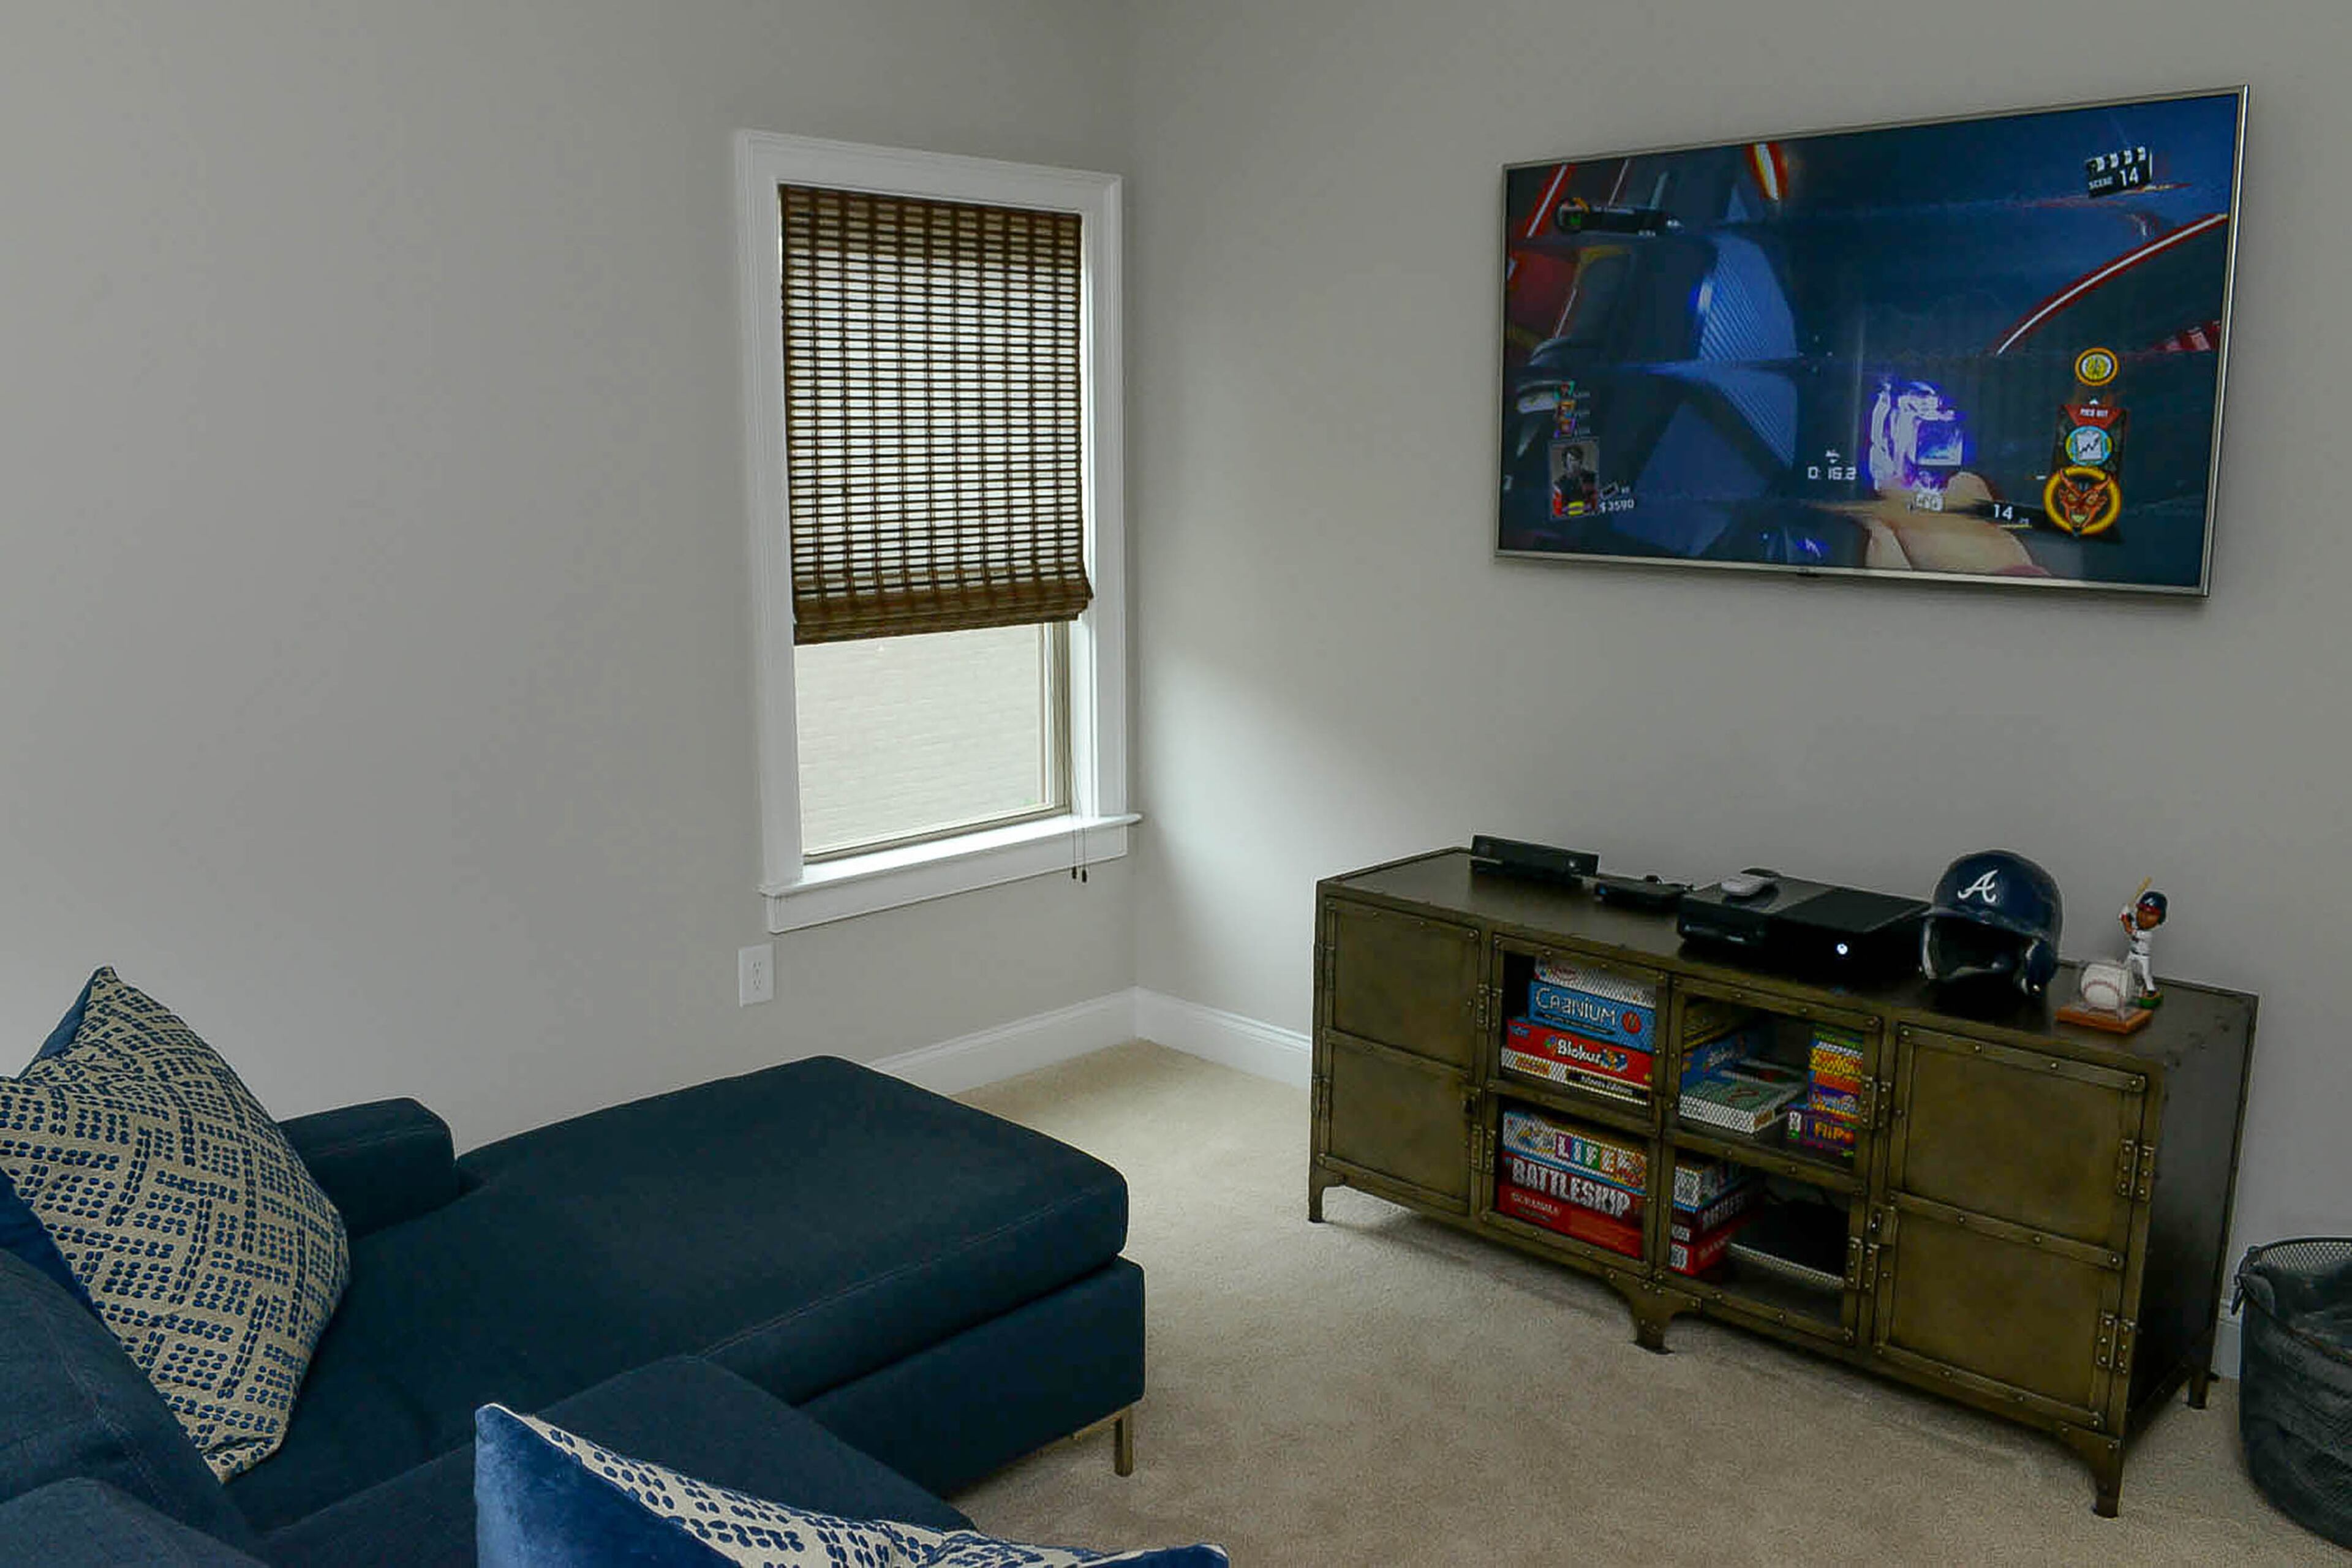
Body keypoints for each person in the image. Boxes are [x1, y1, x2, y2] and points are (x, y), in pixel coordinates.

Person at [2120, 889, 2168, 1001]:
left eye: (2150, 914)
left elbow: (2129, 929)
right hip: (2132, 953)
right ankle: (2122, 987)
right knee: (2124, 969)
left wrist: (2124, 920)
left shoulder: (2147, 934)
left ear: (2160, 919)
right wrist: (2124, 913)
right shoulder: (2136, 924)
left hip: (2143, 956)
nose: (2144, 917)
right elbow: (2128, 920)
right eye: (2141, 911)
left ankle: (2151, 990)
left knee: (2145, 974)